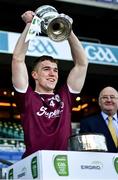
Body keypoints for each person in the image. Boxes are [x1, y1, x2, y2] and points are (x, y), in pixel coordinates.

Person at [12, 10, 88, 158]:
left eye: (55, 70)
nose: (52, 73)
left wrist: (68, 29)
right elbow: (18, 59)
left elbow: (82, 64)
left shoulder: (65, 96)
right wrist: (29, 24)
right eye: (46, 69)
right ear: (34, 75)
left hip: (62, 166)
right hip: (34, 166)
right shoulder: (27, 97)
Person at [80, 86, 118, 153]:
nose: (109, 100)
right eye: (105, 97)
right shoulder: (87, 123)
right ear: (99, 102)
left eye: (112, 97)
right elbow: (85, 151)